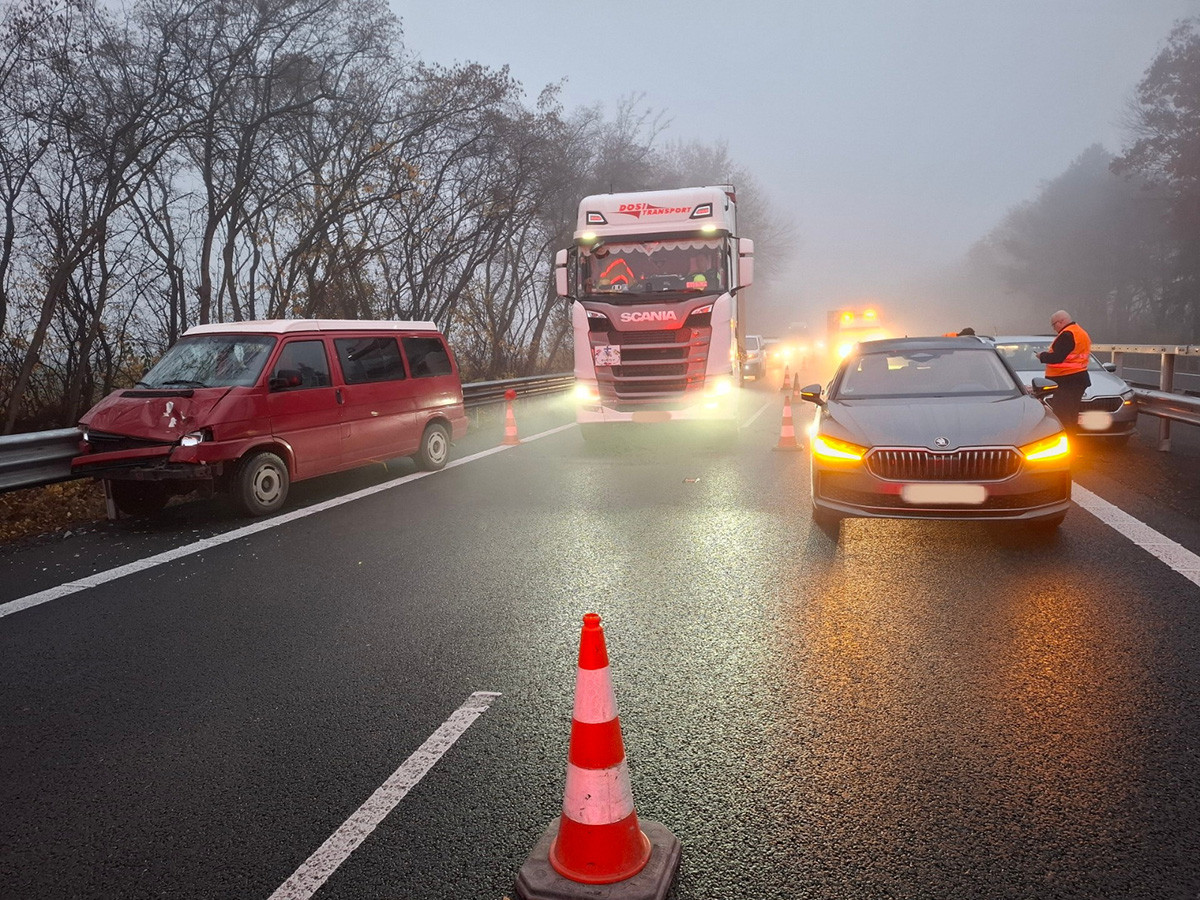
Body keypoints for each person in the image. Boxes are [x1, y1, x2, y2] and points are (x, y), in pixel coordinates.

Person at [1037, 309, 1091, 435]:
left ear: (1060, 322)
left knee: (1063, 417)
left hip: (1066, 382)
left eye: (1054, 325)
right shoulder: (1080, 332)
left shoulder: (1067, 335)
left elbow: (1057, 357)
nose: (1054, 329)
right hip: (1078, 380)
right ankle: (1072, 444)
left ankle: (1066, 445)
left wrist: (1042, 356)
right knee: (1071, 416)